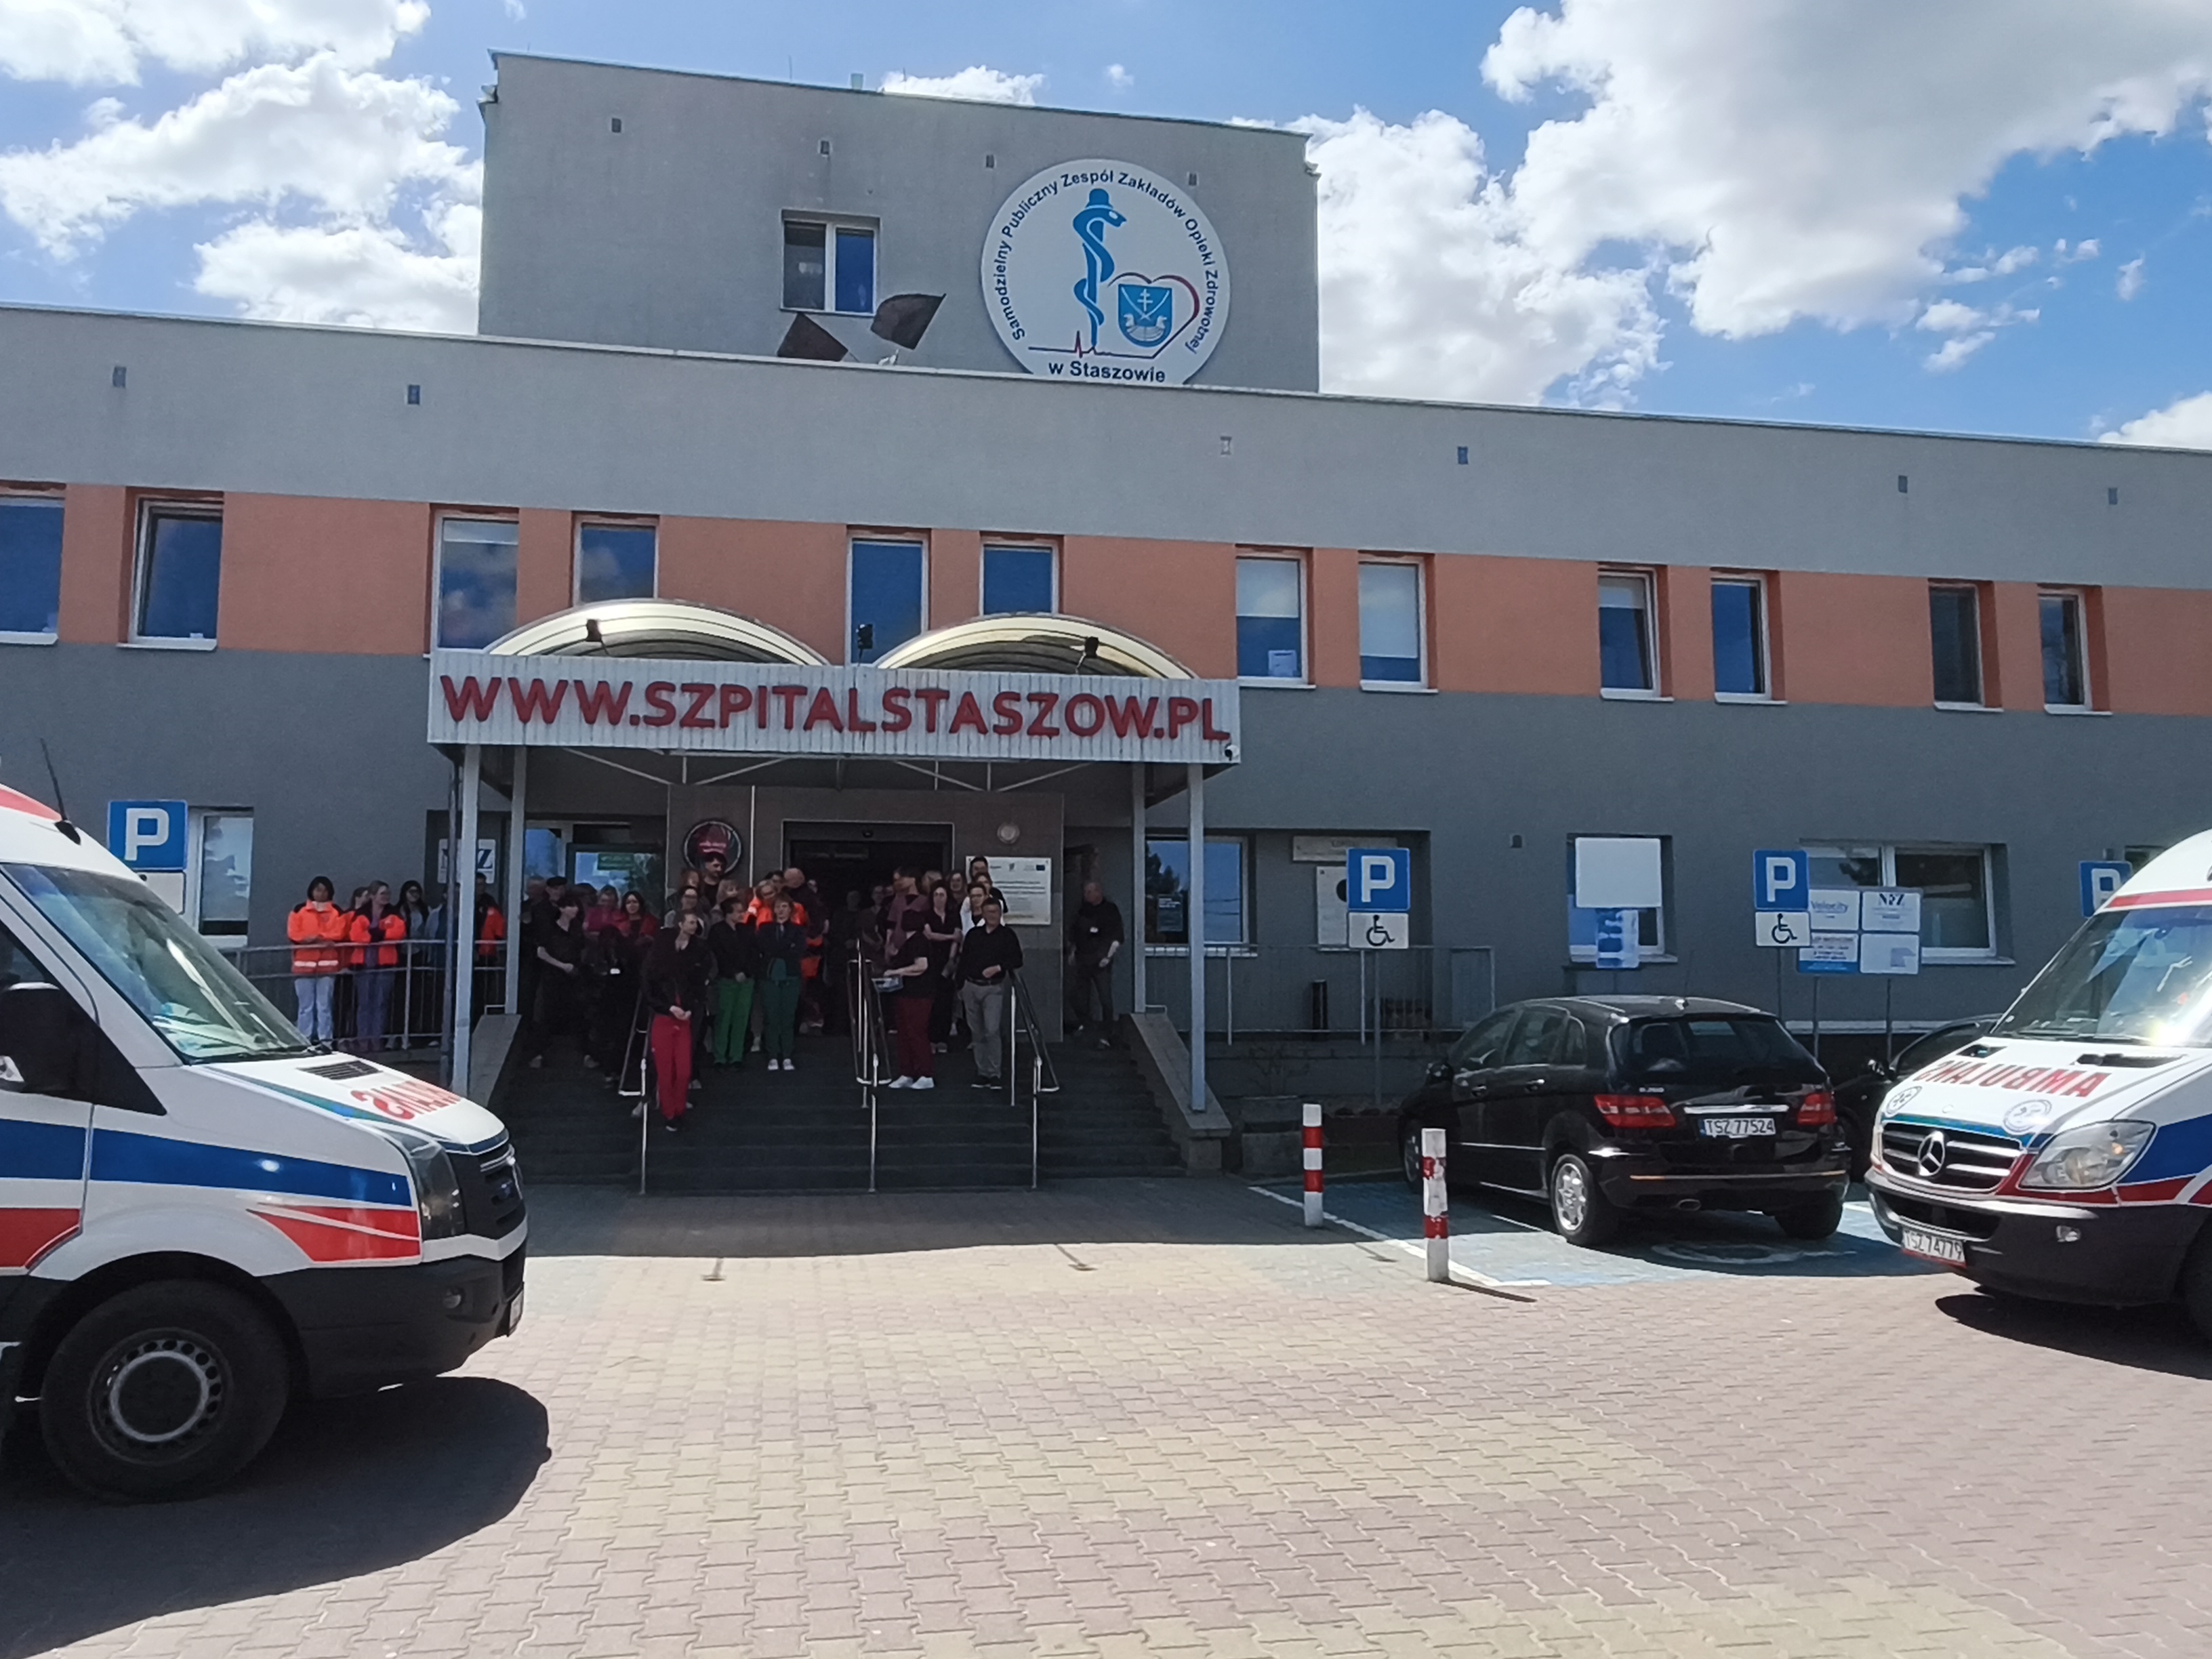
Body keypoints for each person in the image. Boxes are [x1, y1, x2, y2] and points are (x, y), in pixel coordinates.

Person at [644, 913, 710, 1128]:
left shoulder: (690, 961)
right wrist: (669, 1008)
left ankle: (679, 1109)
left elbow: (697, 986)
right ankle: (670, 1113)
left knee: (683, 1071)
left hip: (684, 1018)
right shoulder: (655, 966)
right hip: (664, 1018)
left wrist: (689, 1009)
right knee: (665, 1070)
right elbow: (649, 992)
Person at [958, 896, 1023, 1088]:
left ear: (1000, 913)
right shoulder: (974, 935)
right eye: (989, 912)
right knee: (976, 1031)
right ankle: (982, 1072)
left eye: (995, 912)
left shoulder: (1007, 935)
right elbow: (964, 960)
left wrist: (998, 967)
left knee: (992, 1030)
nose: (992, 916)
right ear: (983, 914)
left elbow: (1017, 959)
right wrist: (960, 986)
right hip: (971, 985)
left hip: (993, 987)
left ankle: (995, 1072)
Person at [526, 892, 585, 1067]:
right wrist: (562, 965)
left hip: (573, 977)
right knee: (545, 1015)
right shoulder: (550, 928)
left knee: (578, 1014)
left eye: (576, 906)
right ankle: (538, 1054)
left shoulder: (577, 929)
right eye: (570, 906)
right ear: (561, 908)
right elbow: (541, 952)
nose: (574, 910)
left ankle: (582, 1055)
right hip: (552, 976)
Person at [287, 876, 347, 1043]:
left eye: (325, 890)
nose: (321, 893)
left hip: (327, 966)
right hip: (303, 966)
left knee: (324, 1006)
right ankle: (304, 1039)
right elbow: (294, 934)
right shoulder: (299, 910)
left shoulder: (337, 911)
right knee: (305, 1007)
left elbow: (339, 933)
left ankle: (325, 1040)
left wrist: (314, 938)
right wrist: (319, 939)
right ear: (312, 891)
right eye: (318, 890)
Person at [1065, 879, 1126, 1046]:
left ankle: (1108, 1033)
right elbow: (1075, 932)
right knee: (1077, 996)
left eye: (1089, 892)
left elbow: (1117, 937)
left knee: (1105, 998)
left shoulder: (1110, 910)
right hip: (1083, 960)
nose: (1086, 895)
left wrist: (1108, 957)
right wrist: (1072, 952)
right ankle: (1087, 1025)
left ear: (1098, 892)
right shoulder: (1083, 910)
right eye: (1085, 892)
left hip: (1101, 962)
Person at [350, 882, 407, 1052]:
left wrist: (375, 935)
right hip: (364, 964)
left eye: (388, 893)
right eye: (382, 893)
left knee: (381, 1003)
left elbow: (399, 933)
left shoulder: (394, 913)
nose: (386, 897)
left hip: (385, 964)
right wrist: (381, 936)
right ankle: (363, 1039)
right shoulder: (361, 914)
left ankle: (376, 1039)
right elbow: (355, 935)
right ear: (373, 896)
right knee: (364, 1003)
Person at [882, 921, 939, 1089]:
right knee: (905, 1034)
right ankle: (907, 1072)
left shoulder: (919, 941)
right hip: (905, 994)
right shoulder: (909, 943)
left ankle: (925, 1074)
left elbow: (922, 966)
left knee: (916, 1033)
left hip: (919, 995)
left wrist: (895, 972)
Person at [756, 894, 808, 1071]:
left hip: (791, 977)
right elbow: (765, 948)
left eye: (784, 906)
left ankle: (787, 1056)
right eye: (778, 907)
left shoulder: (798, 930)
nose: (781, 910)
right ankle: (772, 1055)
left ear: (790, 909)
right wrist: (786, 947)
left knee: (788, 1018)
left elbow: (799, 950)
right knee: (771, 1017)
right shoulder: (765, 928)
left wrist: (780, 949)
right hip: (770, 976)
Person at [707, 893, 760, 1068]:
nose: (742, 914)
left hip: (746, 980)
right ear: (728, 913)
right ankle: (720, 1056)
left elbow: (754, 953)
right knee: (724, 1018)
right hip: (726, 979)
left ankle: (736, 1055)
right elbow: (718, 955)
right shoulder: (717, 931)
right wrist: (733, 972)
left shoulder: (747, 930)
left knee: (741, 1018)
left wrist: (746, 972)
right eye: (738, 911)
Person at [920, 882, 962, 1050]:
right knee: (932, 1000)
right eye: (936, 895)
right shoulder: (926, 915)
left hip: (947, 961)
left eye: (942, 895)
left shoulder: (953, 916)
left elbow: (958, 938)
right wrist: (950, 937)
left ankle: (942, 1038)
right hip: (931, 961)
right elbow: (929, 935)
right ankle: (931, 1038)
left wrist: (951, 960)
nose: (939, 898)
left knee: (946, 1000)